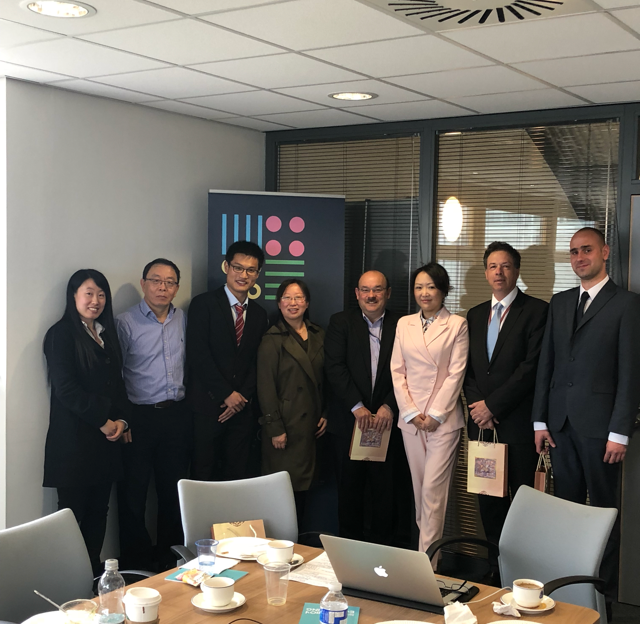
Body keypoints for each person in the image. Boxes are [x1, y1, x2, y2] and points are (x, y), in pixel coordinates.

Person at [532, 227, 640, 608]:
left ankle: (602, 599)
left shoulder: (627, 304)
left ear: (605, 252)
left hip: (602, 430)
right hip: (559, 426)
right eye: (574, 251)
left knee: (603, 515)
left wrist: (620, 431)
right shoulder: (560, 302)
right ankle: (568, 594)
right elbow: (547, 364)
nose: (580, 257)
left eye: (587, 250)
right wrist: (539, 421)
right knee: (566, 513)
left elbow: (630, 374)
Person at [464, 241, 548, 562]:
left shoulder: (537, 311)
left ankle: (522, 573)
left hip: (518, 427)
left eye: (505, 266)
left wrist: (493, 406)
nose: (498, 272)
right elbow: (469, 370)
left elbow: (531, 368)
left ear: (516, 270)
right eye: (492, 266)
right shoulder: (474, 315)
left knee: (522, 504)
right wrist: (478, 407)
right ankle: (494, 570)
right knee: (488, 503)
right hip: (483, 429)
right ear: (486, 273)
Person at [43, 269, 129, 575]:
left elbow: (118, 384)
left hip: (106, 442)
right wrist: (103, 420)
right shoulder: (61, 334)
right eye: (89, 293)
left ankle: (92, 576)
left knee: (98, 512)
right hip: (74, 442)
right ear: (74, 296)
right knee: (70, 516)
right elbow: (66, 389)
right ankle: (67, 580)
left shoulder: (107, 333)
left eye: (101, 294)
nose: (96, 301)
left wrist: (122, 420)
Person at [391, 263, 468, 562]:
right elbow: (397, 371)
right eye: (419, 287)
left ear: (443, 290)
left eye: (431, 287)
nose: (425, 293)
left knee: (433, 494)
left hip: (442, 422)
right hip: (412, 421)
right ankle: (428, 558)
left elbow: (456, 373)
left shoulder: (457, 324)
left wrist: (435, 414)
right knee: (419, 490)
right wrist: (410, 412)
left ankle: (427, 567)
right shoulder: (404, 324)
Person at [116, 258, 190, 571]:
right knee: (133, 495)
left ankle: (168, 561)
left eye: (170, 282)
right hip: (139, 417)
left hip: (175, 416)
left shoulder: (182, 318)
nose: (163, 287)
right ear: (144, 283)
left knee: (172, 492)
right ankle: (136, 565)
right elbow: (115, 374)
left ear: (177, 287)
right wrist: (123, 418)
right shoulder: (125, 322)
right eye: (156, 280)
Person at [324, 270, 408, 546]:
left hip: (387, 424)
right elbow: (335, 367)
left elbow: (411, 370)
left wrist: (390, 406)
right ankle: (350, 555)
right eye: (366, 290)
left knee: (386, 496)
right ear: (357, 293)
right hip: (350, 424)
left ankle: (383, 556)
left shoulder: (403, 325)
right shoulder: (340, 322)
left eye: (378, 289)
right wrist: (356, 406)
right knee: (349, 495)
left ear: (388, 293)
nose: (371, 296)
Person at [187, 241, 269, 481]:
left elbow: (257, 361)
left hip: (241, 411)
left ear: (258, 274)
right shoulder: (203, 304)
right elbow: (198, 354)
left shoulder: (259, 314)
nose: (244, 275)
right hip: (207, 407)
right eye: (238, 267)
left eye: (251, 270)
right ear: (226, 267)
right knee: (204, 473)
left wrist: (239, 399)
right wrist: (225, 394)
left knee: (237, 475)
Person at [257, 279, 327, 524]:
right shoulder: (271, 339)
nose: (293, 303)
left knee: (306, 493)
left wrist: (326, 413)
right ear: (279, 303)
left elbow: (327, 380)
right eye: (287, 297)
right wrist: (275, 428)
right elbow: (265, 387)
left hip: (312, 427)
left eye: (298, 298)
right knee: (285, 494)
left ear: (307, 303)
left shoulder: (319, 335)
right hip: (285, 428)